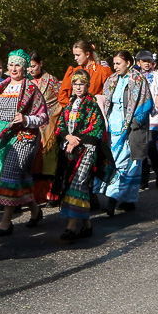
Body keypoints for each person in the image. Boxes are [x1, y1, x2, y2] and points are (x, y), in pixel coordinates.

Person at [0, 50, 50, 236]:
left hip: (23, 137)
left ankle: (5, 222)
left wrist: (26, 119)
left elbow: (44, 117)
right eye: (11, 64)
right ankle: (35, 211)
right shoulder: (1, 87)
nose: (13, 68)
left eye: (17, 65)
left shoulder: (31, 89)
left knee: (10, 174)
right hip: (1, 136)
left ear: (24, 67)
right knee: (17, 177)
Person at [53, 68, 109, 242]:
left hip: (86, 149)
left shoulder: (92, 105)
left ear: (87, 85)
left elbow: (97, 129)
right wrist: (68, 138)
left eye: (81, 84)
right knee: (75, 184)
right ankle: (87, 224)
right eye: (75, 84)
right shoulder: (69, 105)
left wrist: (77, 140)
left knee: (77, 183)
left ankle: (70, 227)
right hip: (70, 150)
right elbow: (60, 126)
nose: (78, 87)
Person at [98, 50, 154, 214]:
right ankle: (128, 199)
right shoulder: (111, 80)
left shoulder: (138, 80)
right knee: (115, 163)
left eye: (118, 63)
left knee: (126, 165)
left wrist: (134, 123)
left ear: (128, 63)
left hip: (130, 129)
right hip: (112, 129)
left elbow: (145, 105)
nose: (115, 67)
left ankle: (112, 199)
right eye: (114, 63)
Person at [26, 52, 63, 209]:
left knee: (49, 159)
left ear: (41, 63)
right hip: (31, 125)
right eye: (28, 67)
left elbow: (60, 101)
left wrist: (49, 117)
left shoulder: (52, 81)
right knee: (33, 160)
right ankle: (34, 195)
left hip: (49, 125)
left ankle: (52, 195)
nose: (31, 69)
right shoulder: (26, 82)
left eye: (33, 66)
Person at [136, 50, 158, 190]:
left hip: (153, 116)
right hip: (139, 116)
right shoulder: (135, 76)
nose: (146, 64)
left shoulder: (157, 75)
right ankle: (144, 178)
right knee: (141, 146)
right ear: (138, 62)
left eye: (149, 61)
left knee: (150, 145)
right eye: (144, 61)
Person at [58, 40, 110, 107]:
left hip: (95, 110)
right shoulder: (74, 71)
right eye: (74, 55)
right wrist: (72, 106)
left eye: (78, 55)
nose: (75, 58)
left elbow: (110, 93)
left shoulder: (102, 71)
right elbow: (62, 96)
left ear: (87, 54)